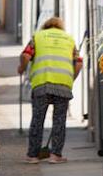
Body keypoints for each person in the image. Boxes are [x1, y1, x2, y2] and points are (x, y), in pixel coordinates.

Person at [18, 16, 82, 163]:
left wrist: (21, 68)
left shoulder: (37, 37)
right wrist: (71, 78)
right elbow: (78, 63)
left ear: (46, 26)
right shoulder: (69, 39)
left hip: (42, 83)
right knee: (59, 120)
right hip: (63, 85)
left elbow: (26, 55)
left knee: (37, 119)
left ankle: (33, 155)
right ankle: (55, 155)